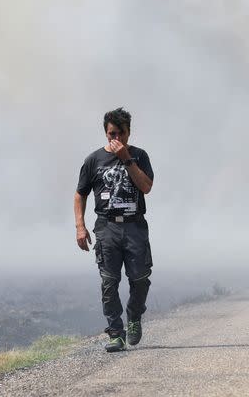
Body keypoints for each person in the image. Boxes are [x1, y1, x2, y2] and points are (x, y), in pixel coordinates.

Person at [73, 107, 155, 352]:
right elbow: (80, 194)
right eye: (111, 134)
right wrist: (80, 226)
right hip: (107, 227)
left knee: (140, 279)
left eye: (121, 133)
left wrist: (126, 159)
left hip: (135, 227)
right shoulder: (93, 160)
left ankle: (134, 317)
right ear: (105, 133)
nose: (116, 138)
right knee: (109, 282)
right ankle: (115, 333)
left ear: (129, 133)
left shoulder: (140, 156)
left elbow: (147, 186)